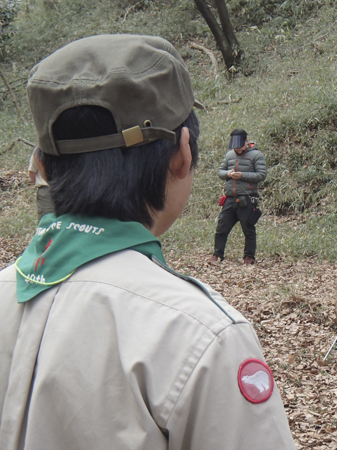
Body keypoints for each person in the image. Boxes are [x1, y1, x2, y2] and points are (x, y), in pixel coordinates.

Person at [0, 34, 295, 450]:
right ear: (182, 154)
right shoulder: (199, 333)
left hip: (245, 199)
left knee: (247, 234)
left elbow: (259, 174)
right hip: (229, 204)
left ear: (44, 166)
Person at [211, 129, 266, 264]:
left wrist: (242, 175)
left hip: (247, 199)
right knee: (221, 228)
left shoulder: (257, 155)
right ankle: (217, 255)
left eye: (240, 147)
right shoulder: (229, 155)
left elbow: (261, 175)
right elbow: (220, 172)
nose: (237, 150)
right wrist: (228, 174)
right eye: (235, 147)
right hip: (229, 199)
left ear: (247, 142)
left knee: (248, 229)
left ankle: (249, 257)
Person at [27, 146, 54, 221]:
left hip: (67, 191)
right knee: (47, 223)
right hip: (47, 192)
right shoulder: (39, 149)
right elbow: (32, 173)